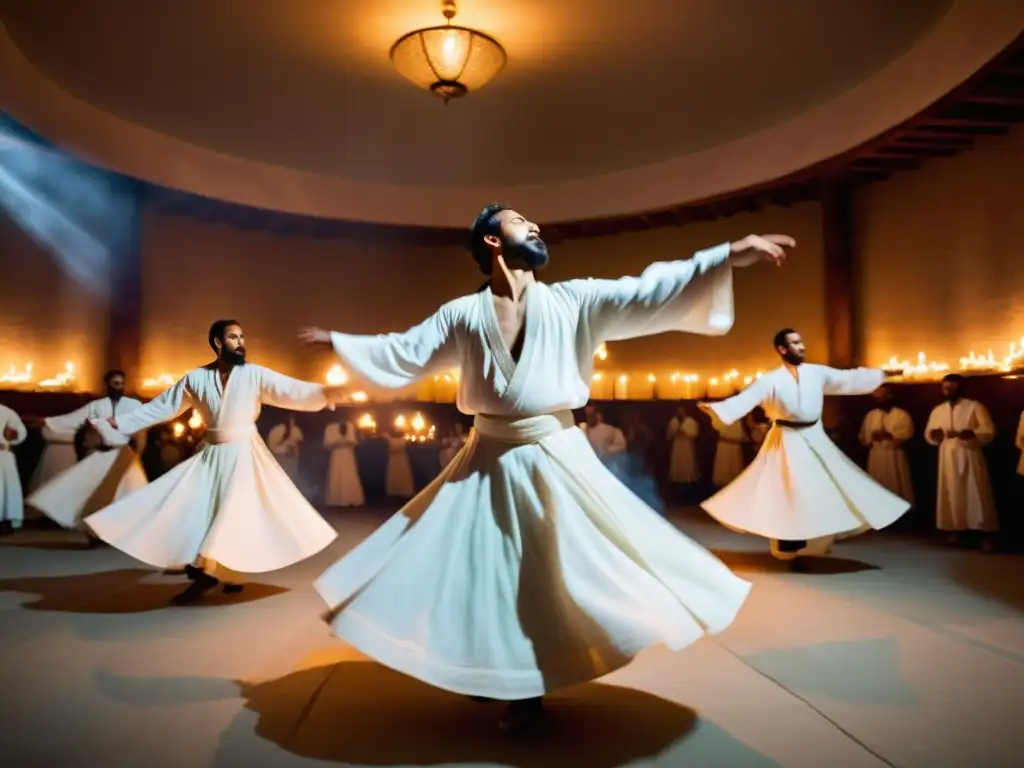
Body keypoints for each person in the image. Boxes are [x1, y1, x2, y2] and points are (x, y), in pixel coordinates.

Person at [299, 202, 793, 731]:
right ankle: (491, 668)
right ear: (492, 241)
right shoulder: (461, 315)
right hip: (485, 456)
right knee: (482, 569)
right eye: (518, 221)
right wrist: (344, 344)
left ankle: (531, 680)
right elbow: (408, 349)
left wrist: (726, 257)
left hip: (554, 451)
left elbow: (645, 289)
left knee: (553, 570)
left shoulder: (572, 300)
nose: (534, 226)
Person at [87, 319, 344, 604]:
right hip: (211, 454)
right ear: (218, 343)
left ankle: (205, 572)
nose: (240, 342)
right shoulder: (195, 378)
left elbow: (290, 390)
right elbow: (162, 408)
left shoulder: (254, 374)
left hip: (244, 454)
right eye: (233, 337)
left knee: (230, 511)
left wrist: (325, 393)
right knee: (200, 508)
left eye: (242, 336)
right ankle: (223, 572)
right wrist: (117, 422)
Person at [699, 329, 909, 569]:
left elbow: (847, 378)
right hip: (785, 439)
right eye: (795, 343)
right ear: (782, 349)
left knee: (828, 484)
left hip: (813, 435)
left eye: (801, 342)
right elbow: (746, 399)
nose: (802, 346)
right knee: (788, 490)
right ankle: (789, 543)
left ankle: (818, 540)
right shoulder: (770, 380)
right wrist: (717, 408)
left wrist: (882, 374)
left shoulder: (816, 373)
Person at [26, 420, 147, 547]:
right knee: (87, 490)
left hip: (122, 459)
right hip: (105, 458)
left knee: (124, 496)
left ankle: (111, 533)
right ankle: (95, 532)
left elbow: (137, 440)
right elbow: (91, 437)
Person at [25, 369, 144, 493]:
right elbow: (74, 419)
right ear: (108, 385)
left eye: (121, 383)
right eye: (115, 383)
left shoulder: (134, 405)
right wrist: (46, 421)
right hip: (102, 454)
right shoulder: (97, 406)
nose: (119, 387)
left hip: (124, 454)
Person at [924, 374, 997, 548]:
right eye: (945, 388)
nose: (947, 391)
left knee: (975, 490)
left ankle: (983, 532)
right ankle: (953, 531)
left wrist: (972, 434)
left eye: (951, 387)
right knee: (951, 490)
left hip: (969, 453)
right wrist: (935, 435)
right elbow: (929, 433)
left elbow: (988, 431)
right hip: (947, 455)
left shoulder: (974, 406)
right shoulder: (938, 410)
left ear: (960, 387)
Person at [857, 385, 915, 506]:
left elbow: (907, 433)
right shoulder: (871, 415)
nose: (880, 401)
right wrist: (871, 438)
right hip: (876, 456)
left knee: (896, 485)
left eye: (882, 397)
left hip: (893, 456)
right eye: (877, 398)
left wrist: (888, 435)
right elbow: (864, 436)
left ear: (889, 396)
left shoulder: (901, 414)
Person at [323, 413, 365, 507]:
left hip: (347, 454)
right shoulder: (331, 427)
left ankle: (350, 498)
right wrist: (337, 442)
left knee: (348, 474)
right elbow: (327, 442)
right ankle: (337, 499)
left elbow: (353, 441)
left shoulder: (349, 425)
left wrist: (347, 441)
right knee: (337, 473)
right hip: (337, 454)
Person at [0, 404, 28, 536]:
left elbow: (20, 433)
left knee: (6, 490)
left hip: (3, 455)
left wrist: (15, 435)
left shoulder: (7, 412)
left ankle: (5, 521)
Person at [710, 411, 749, 488]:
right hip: (725, 447)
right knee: (725, 469)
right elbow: (716, 425)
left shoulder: (738, 420)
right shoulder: (722, 418)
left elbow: (744, 437)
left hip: (735, 448)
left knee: (734, 471)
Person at [666, 405, 701, 491]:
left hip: (687, 446)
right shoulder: (673, 421)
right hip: (677, 446)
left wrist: (685, 432)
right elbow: (668, 435)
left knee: (687, 463)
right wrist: (674, 432)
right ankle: (677, 484)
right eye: (678, 410)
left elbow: (695, 433)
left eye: (682, 410)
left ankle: (688, 484)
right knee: (677, 464)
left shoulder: (691, 421)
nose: (680, 412)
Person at [267, 414, 303, 484]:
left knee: (290, 479)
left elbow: (299, 445)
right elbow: (272, 447)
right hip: (279, 460)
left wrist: (293, 448)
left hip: (291, 461)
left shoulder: (296, 430)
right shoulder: (276, 430)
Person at [384, 426, 415, 499]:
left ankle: (403, 492)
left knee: (402, 475)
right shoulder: (391, 439)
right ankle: (394, 492)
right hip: (393, 460)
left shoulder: (402, 440)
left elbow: (395, 447)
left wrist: (388, 438)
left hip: (401, 460)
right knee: (394, 476)